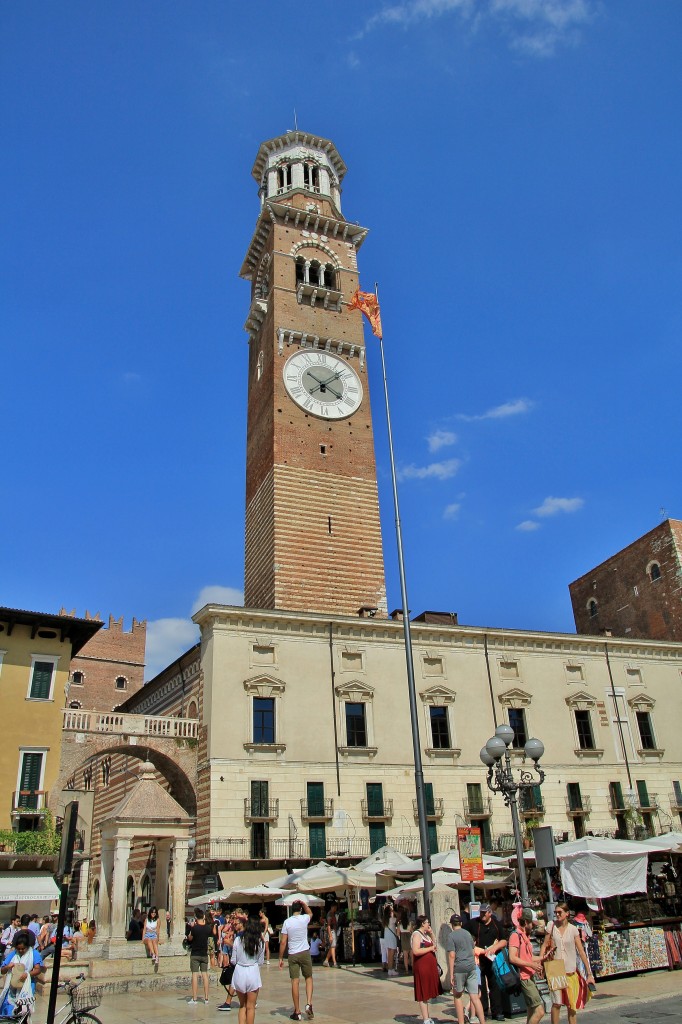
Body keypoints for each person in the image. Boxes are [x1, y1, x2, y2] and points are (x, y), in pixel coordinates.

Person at [540, 904, 594, 1024]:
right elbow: (544, 944)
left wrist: (589, 973)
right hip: (555, 968)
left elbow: (581, 952)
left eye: (560, 912)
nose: (557, 914)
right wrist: (540, 961)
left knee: (571, 1004)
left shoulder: (573, 929)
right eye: (556, 912)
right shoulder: (551, 925)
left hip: (570, 969)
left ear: (567, 913)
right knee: (557, 1002)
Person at [467, 903, 508, 1022]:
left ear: (490, 913)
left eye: (484, 913)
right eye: (481, 912)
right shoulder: (474, 923)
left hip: (493, 959)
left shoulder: (496, 924)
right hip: (479, 959)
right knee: (481, 987)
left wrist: (494, 948)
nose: (482, 915)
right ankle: (483, 1011)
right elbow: (464, 931)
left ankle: (497, 1011)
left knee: (494, 985)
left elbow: (504, 940)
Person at [278, 897, 314, 1021]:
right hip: (305, 951)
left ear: (291, 909)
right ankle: (309, 1003)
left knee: (295, 981)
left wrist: (280, 957)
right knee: (308, 978)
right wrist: (304, 903)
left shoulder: (287, 922)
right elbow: (310, 913)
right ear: (300, 909)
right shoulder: (304, 919)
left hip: (293, 954)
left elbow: (283, 942)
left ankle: (297, 1011)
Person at [447, 913, 485, 1024]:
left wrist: (451, 974)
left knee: (457, 995)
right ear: (461, 923)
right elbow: (473, 951)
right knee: (475, 997)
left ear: (452, 924)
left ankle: (461, 1022)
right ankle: (483, 1022)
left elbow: (452, 955)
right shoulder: (468, 934)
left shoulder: (451, 936)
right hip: (472, 967)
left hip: (459, 968)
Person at [508, 909, 545, 1024]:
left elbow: (529, 957)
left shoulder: (524, 936)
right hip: (524, 977)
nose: (533, 927)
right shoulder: (515, 936)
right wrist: (531, 965)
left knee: (531, 1009)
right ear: (525, 922)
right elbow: (512, 958)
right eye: (531, 924)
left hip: (530, 976)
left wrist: (543, 957)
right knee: (539, 1011)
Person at [0, 931, 45, 1018]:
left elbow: (38, 969)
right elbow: (2, 970)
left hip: (26, 989)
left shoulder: (33, 954)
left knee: (23, 1015)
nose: (20, 951)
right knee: (9, 1013)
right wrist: (8, 967)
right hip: (12, 990)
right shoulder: (13, 954)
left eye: (23, 949)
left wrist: (27, 974)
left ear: (27, 947)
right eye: (18, 949)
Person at [231, 916, 264, 1024]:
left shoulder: (237, 940)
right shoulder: (260, 942)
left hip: (240, 971)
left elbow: (233, 960)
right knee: (251, 1007)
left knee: (242, 1005)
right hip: (253, 971)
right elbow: (260, 962)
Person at [411, 914, 442, 1024]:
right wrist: (429, 949)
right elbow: (416, 951)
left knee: (427, 991)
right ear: (422, 923)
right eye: (427, 922)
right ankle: (426, 1018)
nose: (429, 924)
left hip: (429, 966)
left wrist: (432, 933)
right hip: (422, 966)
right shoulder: (417, 935)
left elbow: (435, 945)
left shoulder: (426, 935)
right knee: (423, 992)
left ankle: (427, 1017)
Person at [187, 907, 213, 1005]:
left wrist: (191, 928)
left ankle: (194, 999)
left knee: (195, 975)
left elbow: (190, 938)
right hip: (204, 954)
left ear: (195, 917)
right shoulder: (208, 928)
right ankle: (206, 998)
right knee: (205, 975)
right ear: (204, 917)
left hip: (195, 953)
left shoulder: (194, 928)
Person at [383, 904, 400, 977]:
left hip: (386, 937)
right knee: (392, 954)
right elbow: (399, 916)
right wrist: (394, 911)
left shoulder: (385, 919)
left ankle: (390, 969)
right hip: (392, 937)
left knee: (389, 954)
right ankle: (391, 969)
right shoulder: (391, 919)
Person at [323, 903, 337, 968]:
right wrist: (330, 935)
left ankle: (326, 960)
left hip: (333, 931)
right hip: (331, 931)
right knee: (333, 947)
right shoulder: (329, 914)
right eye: (335, 907)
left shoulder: (333, 913)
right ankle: (334, 962)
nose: (335, 909)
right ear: (332, 907)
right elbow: (328, 925)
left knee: (332, 947)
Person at [400, 909, 413, 973]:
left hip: (403, 937)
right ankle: (413, 968)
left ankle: (406, 970)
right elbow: (411, 931)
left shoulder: (399, 923)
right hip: (409, 937)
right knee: (411, 955)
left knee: (405, 956)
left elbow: (397, 933)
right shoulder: (409, 922)